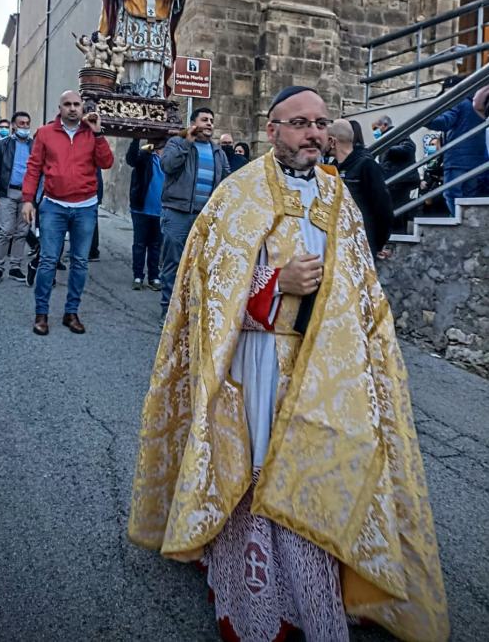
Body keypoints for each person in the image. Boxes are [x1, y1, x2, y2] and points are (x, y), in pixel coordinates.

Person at [129, 85, 448, 642]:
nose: (313, 134)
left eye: (321, 123)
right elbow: (207, 285)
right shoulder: (240, 191)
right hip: (259, 357)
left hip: (325, 365)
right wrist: (275, 285)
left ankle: (316, 590)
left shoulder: (338, 198)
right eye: (299, 123)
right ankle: (255, 592)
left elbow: (362, 284)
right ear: (272, 129)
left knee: (314, 464)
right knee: (260, 463)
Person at [22, 91, 114, 336]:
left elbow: (106, 163)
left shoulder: (91, 133)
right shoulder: (45, 133)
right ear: (59, 108)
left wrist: (98, 133)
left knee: (80, 262)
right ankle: (41, 314)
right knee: (48, 260)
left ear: (82, 107)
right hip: (53, 205)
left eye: (76, 104)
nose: (73, 108)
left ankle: (71, 313)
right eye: (67, 105)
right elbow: (33, 168)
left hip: (85, 207)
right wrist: (28, 200)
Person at [160, 107, 230, 320]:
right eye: (204, 119)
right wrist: (186, 142)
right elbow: (168, 165)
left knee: (200, 264)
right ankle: (169, 312)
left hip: (205, 217)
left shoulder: (218, 151)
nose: (209, 123)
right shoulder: (176, 144)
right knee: (173, 263)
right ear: (193, 123)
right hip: (178, 213)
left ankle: (192, 311)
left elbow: (227, 182)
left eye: (211, 120)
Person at [327, 119, 393, 256]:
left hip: (362, 248)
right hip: (339, 245)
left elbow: (383, 209)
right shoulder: (332, 169)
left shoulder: (367, 166)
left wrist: (376, 244)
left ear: (332, 142)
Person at [0, 112, 33, 284]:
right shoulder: (3, 144)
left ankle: (15, 267)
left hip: (27, 195)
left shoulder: (34, 145)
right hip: (8, 192)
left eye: (27, 123)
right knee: (6, 231)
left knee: (22, 231)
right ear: (14, 125)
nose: (24, 126)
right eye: (21, 123)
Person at [425, 94, 489, 214]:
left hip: (457, 159)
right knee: (469, 195)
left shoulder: (458, 102)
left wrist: (424, 118)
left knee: (451, 193)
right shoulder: (479, 105)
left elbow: (444, 122)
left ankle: (460, 222)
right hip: (477, 159)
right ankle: (469, 222)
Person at [126, 137, 165, 291]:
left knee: (156, 246)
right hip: (141, 210)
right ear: (159, 148)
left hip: (160, 212)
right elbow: (131, 159)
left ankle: (154, 276)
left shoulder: (170, 164)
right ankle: (138, 276)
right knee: (140, 244)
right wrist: (135, 139)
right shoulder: (145, 157)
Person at [371, 114, 419, 233]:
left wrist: (388, 149)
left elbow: (408, 149)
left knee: (396, 211)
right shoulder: (386, 139)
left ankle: (398, 236)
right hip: (395, 181)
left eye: (375, 128)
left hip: (400, 181)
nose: (374, 132)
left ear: (385, 125)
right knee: (392, 211)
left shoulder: (396, 135)